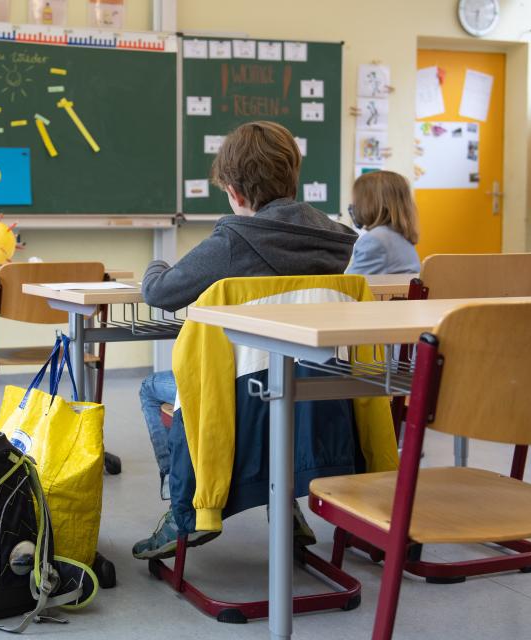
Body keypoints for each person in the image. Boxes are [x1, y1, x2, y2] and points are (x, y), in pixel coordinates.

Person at [134, 121, 358, 559]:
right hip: (319, 391)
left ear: (235, 192)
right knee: (273, 381)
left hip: (239, 396)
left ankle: (189, 510)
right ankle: (284, 505)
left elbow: (161, 293)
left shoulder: (236, 240)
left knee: (149, 388)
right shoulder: (338, 240)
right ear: (292, 176)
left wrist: (155, 263)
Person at [345, 171, 421, 275]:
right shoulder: (401, 237)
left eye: (357, 201)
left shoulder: (375, 240)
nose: (354, 206)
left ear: (370, 203)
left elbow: (349, 286)